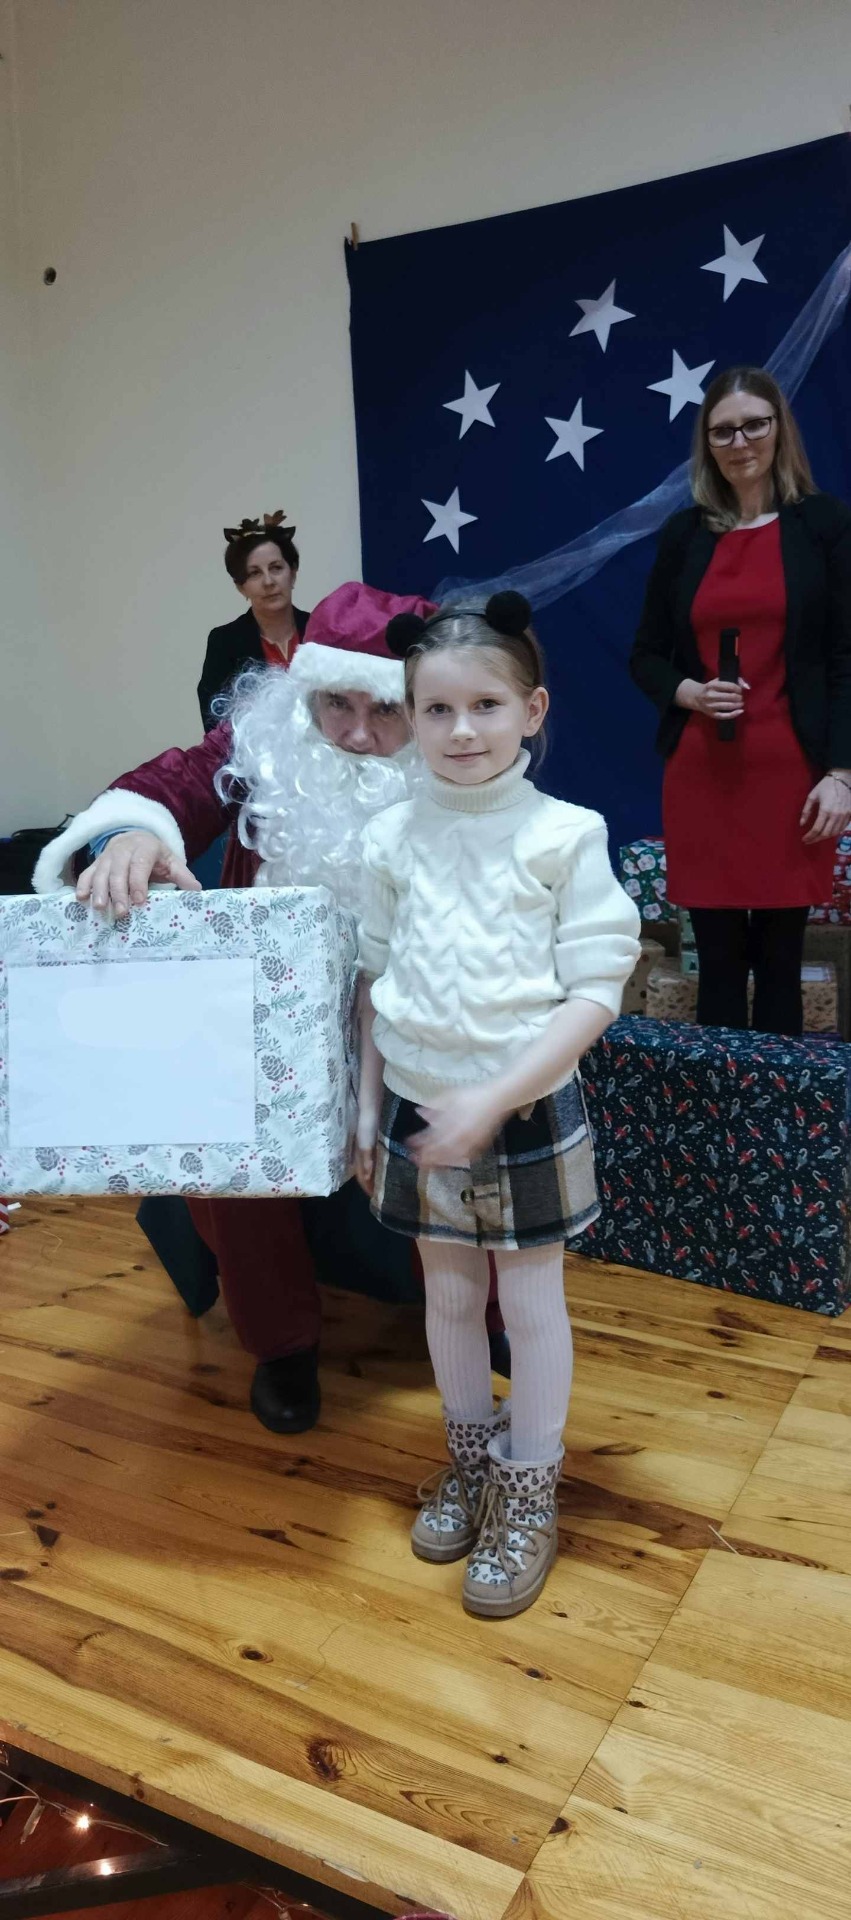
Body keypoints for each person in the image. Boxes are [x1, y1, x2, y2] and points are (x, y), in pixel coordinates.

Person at [34, 581, 508, 1432]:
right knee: (231, 1141)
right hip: (267, 1021)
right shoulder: (264, 742)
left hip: (420, 1015)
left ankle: (491, 1315)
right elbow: (166, 784)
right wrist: (128, 834)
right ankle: (281, 1344)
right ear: (303, 694)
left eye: (384, 711)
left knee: (470, 1139)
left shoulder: (462, 757)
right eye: (335, 705)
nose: (356, 735)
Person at [355, 592, 640, 1619]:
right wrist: (364, 1107)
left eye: (484, 705)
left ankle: (527, 1493)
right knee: (444, 1298)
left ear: (532, 709)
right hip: (418, 1110)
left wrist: (493, 1097)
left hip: (523, 1115)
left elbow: (595, 993)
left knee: (526, 1303)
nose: (461, 730)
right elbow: (376, 981)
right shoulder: (388, 836)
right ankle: (470, 1466)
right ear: (409, 716)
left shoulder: (565, 835)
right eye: (436, 709)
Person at [630, 366, 851, 1034]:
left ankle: (774, 1104)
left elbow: (845, 658)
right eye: (722, 431)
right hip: (702, 774)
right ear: (707, 443)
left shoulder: (823, 524)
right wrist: (688, 692)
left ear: (779, 429)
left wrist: (841, 773)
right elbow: (645, 655)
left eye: (754, 424)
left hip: (792, 776)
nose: (739, 442)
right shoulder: (685, 534)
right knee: (718, 966)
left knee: (781, 963)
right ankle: (719, 1104)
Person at [197, 511, 309, 731]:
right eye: (255, 573)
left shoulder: (324, 630)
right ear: (241, 587)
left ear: (293, 574)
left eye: (276, 568)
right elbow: (216, 724)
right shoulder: (225, 642)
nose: (268, 581)